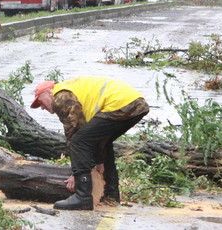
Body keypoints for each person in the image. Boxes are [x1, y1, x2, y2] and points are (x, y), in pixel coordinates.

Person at [30, 77, 149, 210]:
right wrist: (99, 163)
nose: (41, 108)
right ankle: (111, 195)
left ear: (48, 93)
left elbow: (73, 132)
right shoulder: (70, 90)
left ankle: (83, 197)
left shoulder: (60, 95)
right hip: (136, 103)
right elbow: (93, 139)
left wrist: (76, 173)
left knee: (77, 141)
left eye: (40, 102)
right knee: (103, 141)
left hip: (120, 104)